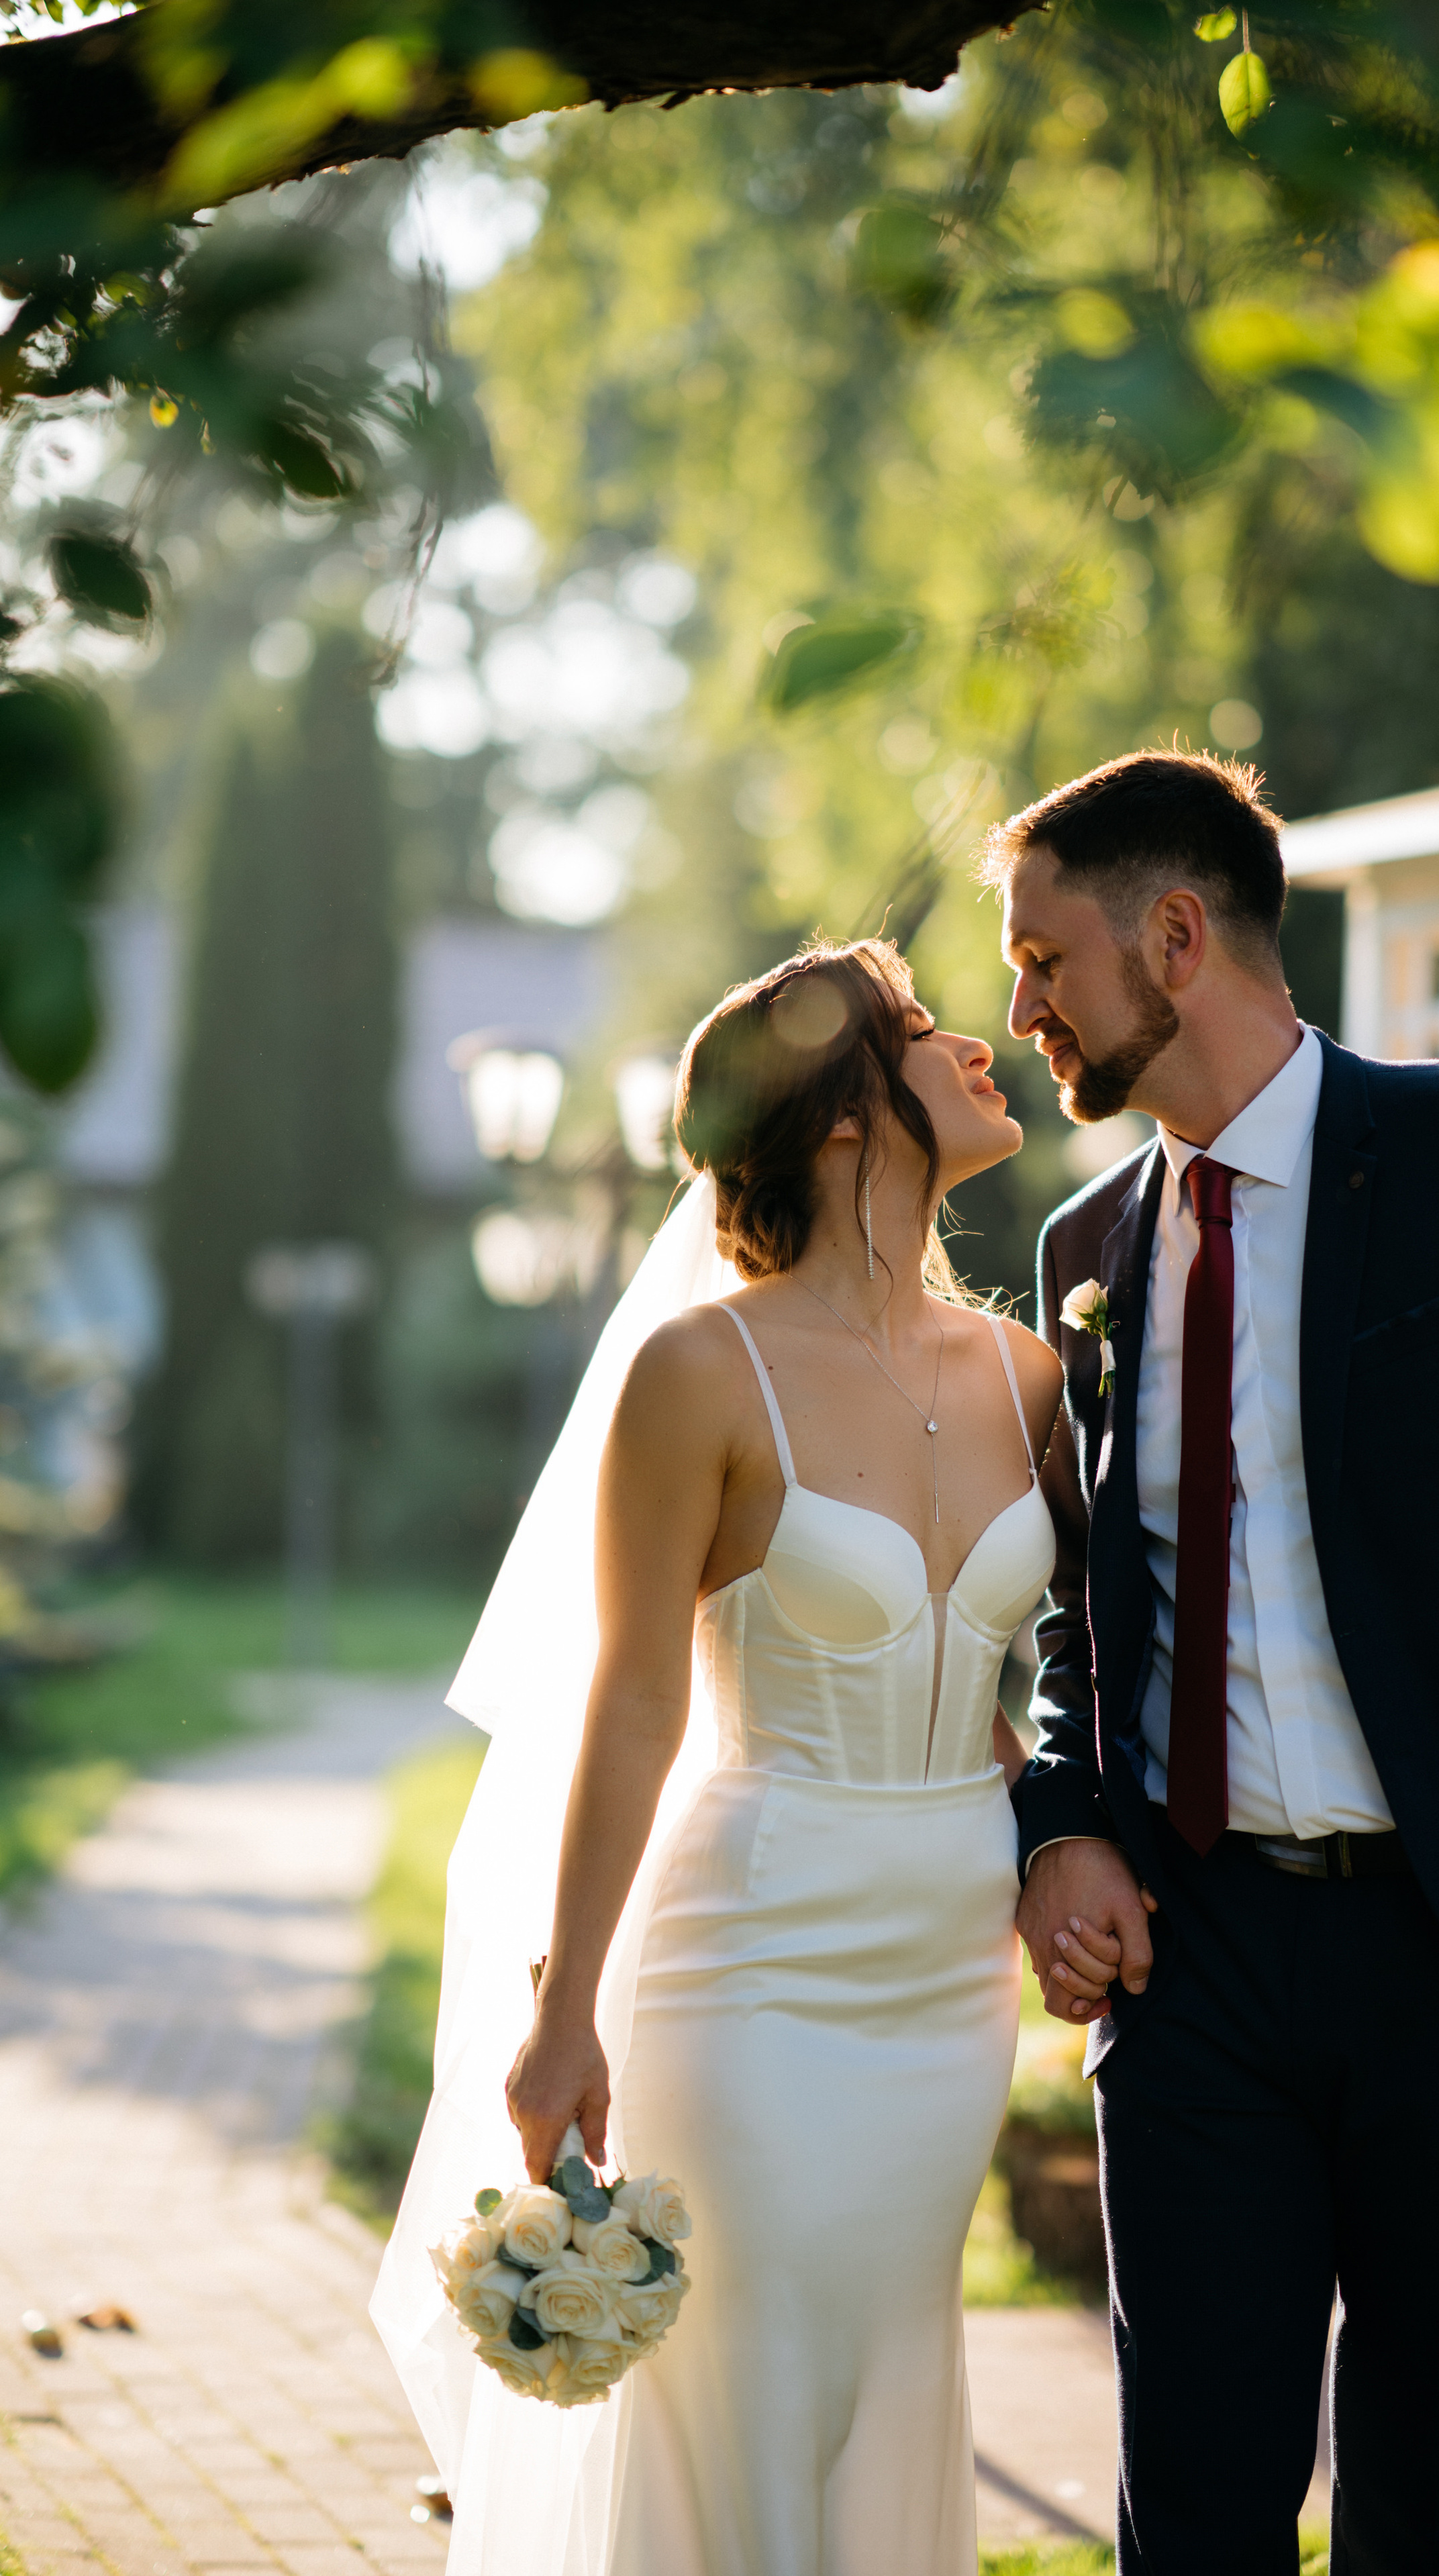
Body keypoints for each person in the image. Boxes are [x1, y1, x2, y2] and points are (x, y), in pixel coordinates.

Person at [985, 748, 1439, 2576]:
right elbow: (1086, 1604)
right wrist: (1064, 1815)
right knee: (1201, 2507)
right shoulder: (1091, 1250)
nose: (1026, 1011)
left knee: (1427, 2494)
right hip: (1199, 1962)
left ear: (1174, 935)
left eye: (1045, 960)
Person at [373, 938, 1064, 2576]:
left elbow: (1062, 1681)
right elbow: (627, 1705)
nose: (976, 1041)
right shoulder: (699, 1371)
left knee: (885, 2379)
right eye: (917, 1030)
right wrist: (561, 2012)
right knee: (742, 2400)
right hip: (753, 1964)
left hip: (946, 1983)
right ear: (838, 1116)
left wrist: (1047, 1827)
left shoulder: (1027, 1370)